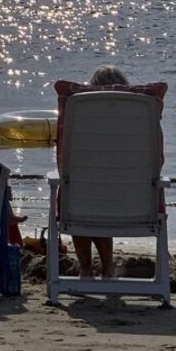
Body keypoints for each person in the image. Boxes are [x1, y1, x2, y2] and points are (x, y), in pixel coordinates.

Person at [69, 64, 133, 279]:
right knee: (102, 198)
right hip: (130, 204)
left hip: (84, 201)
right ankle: (108, 268)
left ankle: (86, 269)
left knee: (80, 198)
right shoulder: (138, 120)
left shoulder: (80, 120)